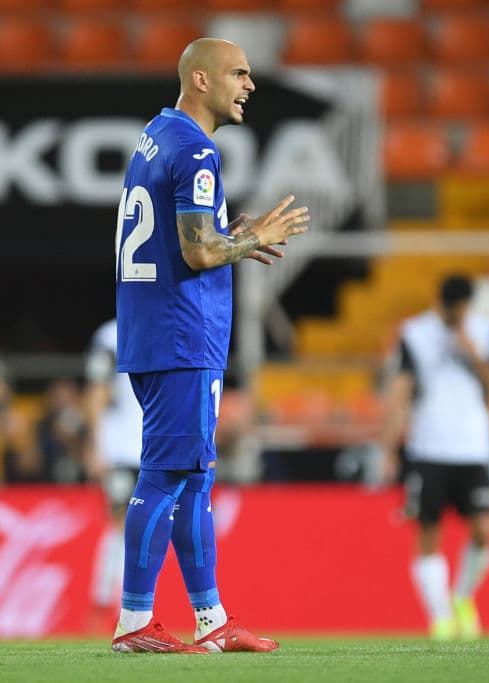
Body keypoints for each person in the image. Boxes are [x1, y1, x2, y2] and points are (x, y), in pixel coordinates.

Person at [112, 38, 309, 654]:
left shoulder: (157, 134)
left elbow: (187, 239)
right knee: (168, 473)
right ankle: (134, 623)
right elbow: (199, 252)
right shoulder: (196, 148)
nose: (249, 85)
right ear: (201, 79)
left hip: (155, 332)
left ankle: (211, 620)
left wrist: (234, 233)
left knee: (195, 477)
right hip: (182, 336)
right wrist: (253, 240)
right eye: (239, 74)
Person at [379, 274, 489, 641]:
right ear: (443, 304)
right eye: (453, 309)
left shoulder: (484, 332)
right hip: (429, 449)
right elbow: (400, 390)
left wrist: (473, 353)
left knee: (485, 531)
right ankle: (440, 620)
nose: (458, 315)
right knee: (428, 533)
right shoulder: (415, 333)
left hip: (473, 449)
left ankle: (463, 597)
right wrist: (388, 446)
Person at [82, 319, 143, 628]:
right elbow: (97, 390)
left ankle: (129, 609)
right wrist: (95, 445)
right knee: (120, 525)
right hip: (120, 448)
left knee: (144, 529)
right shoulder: (111, 335)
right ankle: (104, 605)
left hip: (153, 447)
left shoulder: (162, 321)